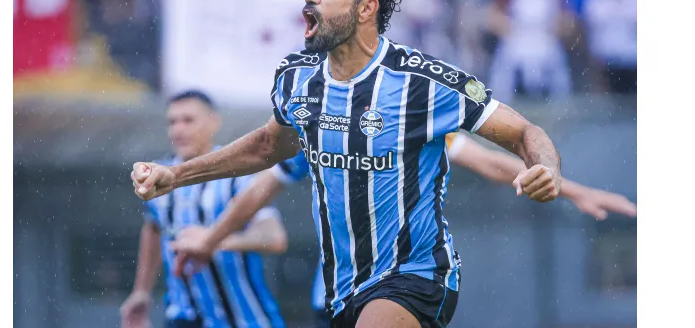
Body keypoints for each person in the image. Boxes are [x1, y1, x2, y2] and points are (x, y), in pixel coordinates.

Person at [132, 0, 565, 328]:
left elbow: (523, 131)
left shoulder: (423, 83)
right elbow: (267, 146)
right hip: (342, 291)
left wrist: (545, 167)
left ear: (366, 9)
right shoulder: (296, 79)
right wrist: (177, 175)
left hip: (416, 274)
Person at [188, 129, 636, 327]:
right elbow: (261, 186)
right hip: (335, 296)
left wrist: (573, 189)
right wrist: (210, 240)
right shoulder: (321, 122)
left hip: (405, 282)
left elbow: (491, 163)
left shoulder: (415, 116)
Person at [120, 90, 287, 328]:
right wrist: (142, 290)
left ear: (213, 122)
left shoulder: (239, 176)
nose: (178, 129)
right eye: (172, 122)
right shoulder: (159, 174)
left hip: (244, 319)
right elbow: (154, 228)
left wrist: (213, 241)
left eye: (188, 120)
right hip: (183, 318)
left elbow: (274, 238)